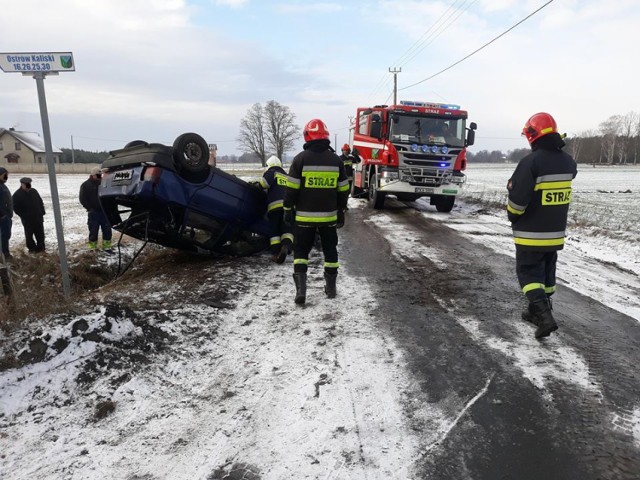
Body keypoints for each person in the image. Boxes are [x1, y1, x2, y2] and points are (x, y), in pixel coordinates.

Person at [507, 112, 577, 339]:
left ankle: (545, 318)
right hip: (555, 234)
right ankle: (535, 312)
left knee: (528, 273)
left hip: (530, 233)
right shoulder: (568, 162)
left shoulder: (531, 162)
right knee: (546, 274)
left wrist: (513, 216)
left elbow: (518, 200)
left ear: (532, 135)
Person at [283, 118, 350, 305]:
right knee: (330, 251)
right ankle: (331, 289)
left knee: (301, 252)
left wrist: (288, 209)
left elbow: (291, 189)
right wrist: (341, 210)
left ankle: (301, 291)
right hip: (329, 218)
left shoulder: (300, 159)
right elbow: (344, 189)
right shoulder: (336, 160)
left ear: (307, 136)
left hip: (304, 218)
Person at [259, 155, 293, 263]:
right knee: (287, 230)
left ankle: (275, 253)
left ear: (269, 165)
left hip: (274, 207)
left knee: (274, 231)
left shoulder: (272, 172)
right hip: (288, 207)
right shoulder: (287, 176)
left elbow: (263, 184)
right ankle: (286, 247)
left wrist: (257, 185)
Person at [79, 166, 113, 252]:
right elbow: (82, 199)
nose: (100, 177)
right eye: (98, 175)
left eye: (100, 175)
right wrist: (89, 208)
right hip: (93, 213)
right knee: (93, 231)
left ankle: (107, 247)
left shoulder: (103, 184)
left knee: (107, 231)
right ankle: (92, 249)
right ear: (93, 175)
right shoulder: (85, 185)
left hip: (104, 212)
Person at [12, 177, 46, 253]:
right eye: (26, 184)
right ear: (22, 184)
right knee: (29, 235)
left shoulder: (34, 191)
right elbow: (16, 208)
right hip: (28, 220)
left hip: (38, 217)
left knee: (40, 234)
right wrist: (25, 216)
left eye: (29, 184)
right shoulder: (17, 195)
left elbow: (40, 202)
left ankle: (41, 249)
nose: (28, 185)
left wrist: (42, 212)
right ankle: (32, 249)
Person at [0, 167, 13, 260]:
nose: (6, 177)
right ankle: (4, 254)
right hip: (2, 216)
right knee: (4, 235)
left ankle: (5, 252)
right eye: (5, 175)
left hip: (6, 215)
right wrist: (3, 214)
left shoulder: (2, 185)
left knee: (6, 235)